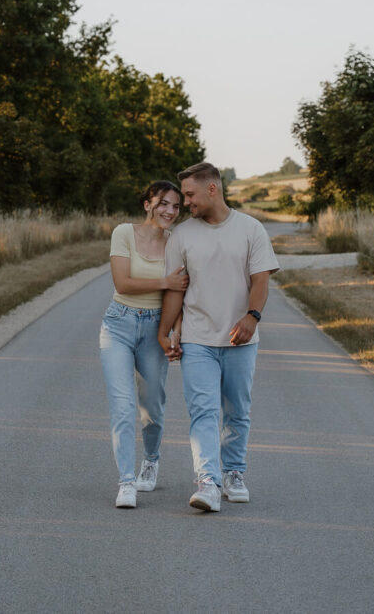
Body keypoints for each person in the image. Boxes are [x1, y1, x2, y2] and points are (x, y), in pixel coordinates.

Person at [158, 163, 279, 512]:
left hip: (241, 340)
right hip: (197, 339)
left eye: (190, 195)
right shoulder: (182, 235)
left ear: (212, 189)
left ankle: (234, 473)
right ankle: (207, 482)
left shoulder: (250, 229)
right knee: (203, 411)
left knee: (237, 411)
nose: (186, 203)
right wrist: (167, 332)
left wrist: (252, 317)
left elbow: (261, 279)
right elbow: (176, 290)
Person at [100, 181, 188, 509]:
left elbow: (182, 293)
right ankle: (126, 482)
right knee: (122, 405)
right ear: (148, 203)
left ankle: (151, 460)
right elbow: (122, 282)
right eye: (163, 203)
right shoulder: (124, 233)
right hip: (118, 324)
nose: (170, 211)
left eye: (176, 206)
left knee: (153, 405)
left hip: (156, 328)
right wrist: (165, 281)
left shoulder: (177, 242)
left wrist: (176, 332)